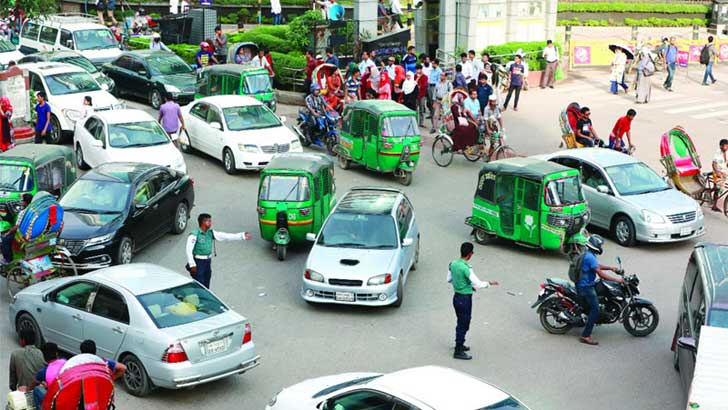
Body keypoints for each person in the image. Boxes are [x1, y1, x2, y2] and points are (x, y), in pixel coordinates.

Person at [447, 242, 499, 360]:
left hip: (456, 297)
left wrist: (462, 285)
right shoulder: (466, 268)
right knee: (463, 324)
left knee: (461, 322)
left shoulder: (453, 264)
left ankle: (460, 344)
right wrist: (489, 283)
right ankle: (458, 350)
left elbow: (449, 279)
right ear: (470, 254)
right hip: (465, 300)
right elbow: (478, 283)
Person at [575, 235, 624, 346]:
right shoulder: (590, 257)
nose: (601, 247)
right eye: (600, 245)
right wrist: (617, 280)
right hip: (585, 286)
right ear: (595, 245)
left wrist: (611, 268)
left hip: (585, 283)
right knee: (596, 310)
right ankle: (585, 335)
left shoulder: (589, 254)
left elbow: (596, 266)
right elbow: (600, 274)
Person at [186, 213, 251, 289]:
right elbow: (188, 250)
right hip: (198, 262)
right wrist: (192, 265)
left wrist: (241, 236)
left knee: (206, 284)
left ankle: (207, 299)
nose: (210, 223)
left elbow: (225, 236)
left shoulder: (210, 233)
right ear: (203, 222)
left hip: (207, 262)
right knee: (200, 286)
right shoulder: (194, 234)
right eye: (208, 221)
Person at [712, 139, 728, 211]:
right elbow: (714, 164)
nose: (726, 147)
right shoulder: (717, 153)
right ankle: (714, 206)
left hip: (724, 172)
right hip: (717, 173)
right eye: (724, 146)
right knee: (718, 188)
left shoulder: (727, 152)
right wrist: (717, 172)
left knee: (722, 187)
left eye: (727, 146)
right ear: (721, 146)